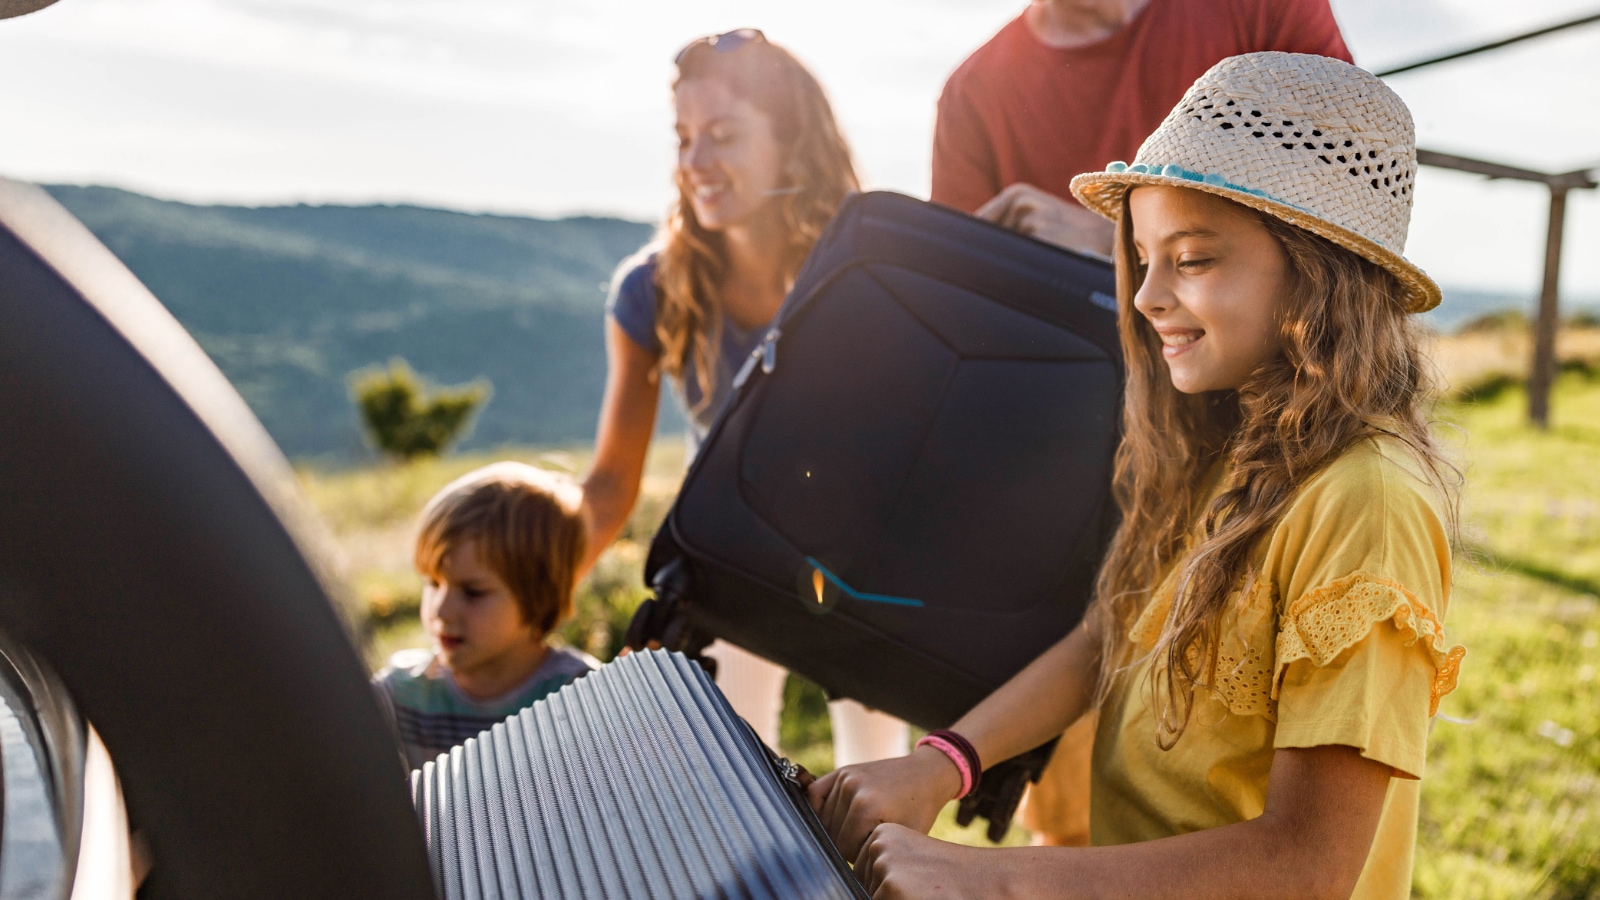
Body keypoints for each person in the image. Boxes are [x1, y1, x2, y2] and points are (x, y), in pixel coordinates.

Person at [808, 53, 1465, 899]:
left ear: (1317, 275)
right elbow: (1113, 633)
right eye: (1144, 259)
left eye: (1191, 260)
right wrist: (944, 764)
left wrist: (994, 882)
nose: (1147, 296)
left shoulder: (1366, 502)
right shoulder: (1232, 448)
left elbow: (1310, 863)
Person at [932, 0, 1351, 847]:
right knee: (1086, 807)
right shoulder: (977, 90)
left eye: (1181, 263)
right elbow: (961, 320)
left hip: (1283, 433)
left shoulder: (1257, 8)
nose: (1153, 290)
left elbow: (1346, 188)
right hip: (1081, 470)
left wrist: (1102, 243)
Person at [579, 29, 907, 766]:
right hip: (726, 562)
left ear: (791, 144)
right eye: (684, 139)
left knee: (878, 800)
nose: (695, 164)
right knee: (724, 787)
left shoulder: (872, 278)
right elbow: (609, 483)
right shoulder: (651, 291)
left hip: (865, 566)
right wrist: (534, 585)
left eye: (721, 136)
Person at [934, 0, 1351, 260]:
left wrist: (1116, 239)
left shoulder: (1265, 7)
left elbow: (1350, 203)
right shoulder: (969, 92)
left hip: (1267, 380)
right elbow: (954, 295)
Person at [374, 462, 594, 770]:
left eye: (473, 592)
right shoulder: (400, 697)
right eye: (434, 583)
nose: (441, 610)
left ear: (538, 597)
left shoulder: (580, 697)